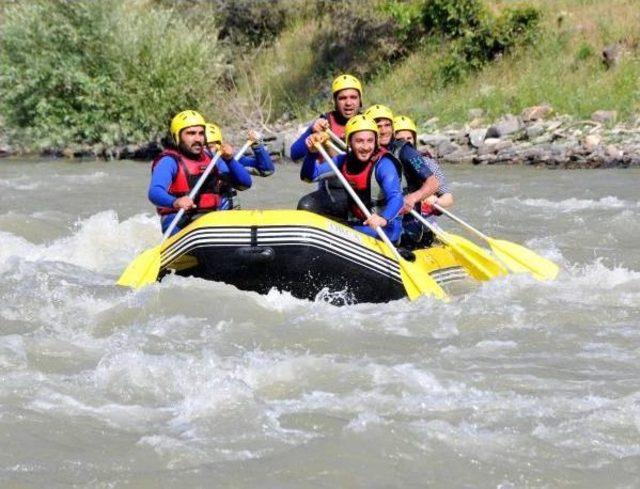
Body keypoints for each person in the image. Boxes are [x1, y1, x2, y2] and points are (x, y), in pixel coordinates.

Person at [300, 115, 404, 242]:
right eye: (359, 141)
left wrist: (383, 218)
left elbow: (396, 198)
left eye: (370, 141)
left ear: (376, 141)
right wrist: (312, 153)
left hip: (386, 228)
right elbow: (308, 177)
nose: (365, 147)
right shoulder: (343, 160)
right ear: (349, 142)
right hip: (358, 223)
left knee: (339, 231)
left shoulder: (384, 164)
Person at [148, 110, 252, 236]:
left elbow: (245, 183)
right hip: (179, 220)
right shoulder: (169, 161)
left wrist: (230, 160)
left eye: (201, 133)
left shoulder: (212, 158)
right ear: (178, 136)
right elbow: (155, 192)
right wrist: (176, 202)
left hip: (210, 219)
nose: (198, 138)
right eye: (191, 133)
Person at [363, 105, 440, 248]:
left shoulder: (405, 150)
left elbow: (433, 182)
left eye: (387, 125)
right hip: (374, 219)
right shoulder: (363, 152)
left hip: (407, 224)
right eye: (378, 126)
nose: (384, 130)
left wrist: (413, 198)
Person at [291, 74, 363, 217]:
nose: (348, 103)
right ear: (335, 102)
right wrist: (312, 130)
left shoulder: (368, 123)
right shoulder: (324, 122)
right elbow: (295, 154)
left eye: (353, 97)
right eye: (342, 98)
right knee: (306, 205)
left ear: (360, 100)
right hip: (332, 191)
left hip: (363, 191)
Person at [393, 114, 454, 218]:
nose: (406, 143)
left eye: (409, 138)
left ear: (414, 140)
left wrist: (437, 201)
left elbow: (448, 198)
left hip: (424, 222)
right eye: (400, 139)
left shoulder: (427, 163)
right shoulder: (387, 163)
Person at [205, 123, 274, 210]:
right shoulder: (187, 164)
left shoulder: (232, 160)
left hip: (228, 215)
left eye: (209, 147)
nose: (205, 152)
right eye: (202, 147)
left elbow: (267, 170)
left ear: (219, 146)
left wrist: (257, 146)